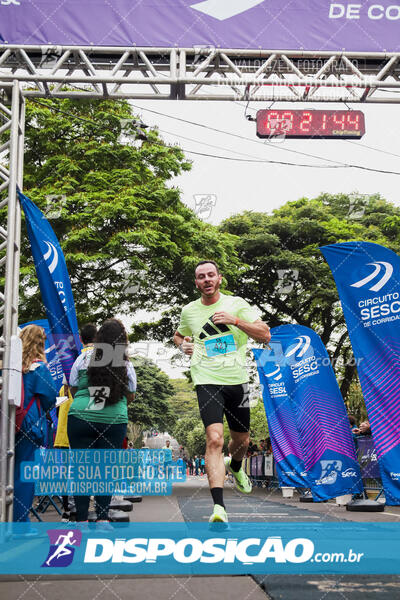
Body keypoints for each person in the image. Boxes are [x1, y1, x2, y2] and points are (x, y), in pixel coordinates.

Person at [173, 260, 270, 523]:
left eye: (210, 275)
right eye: (201, 276)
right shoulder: (189, 311)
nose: (206, 279)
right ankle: (219, 508)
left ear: (219, 279)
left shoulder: (237, 304)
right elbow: (178, 336)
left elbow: (265, 334)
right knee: (214, 439)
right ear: (196, 283)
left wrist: (236, 321)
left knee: (242, 442)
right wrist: (183, 346)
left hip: (237, 380)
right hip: (205, 378)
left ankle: (236, 466)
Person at [67, 318, 136, 523]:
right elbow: (131, 394)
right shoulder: (126, 363)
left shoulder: (83, 359)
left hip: (80, 418)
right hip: (113, 421)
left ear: (98, 338)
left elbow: (73, 387)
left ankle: (80, 521)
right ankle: (103, 519)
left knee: (81, 471)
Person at [14, 325, 58, 522]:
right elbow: (50, 397)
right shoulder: (38, 368)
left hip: (10, 423)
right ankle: (20, 522)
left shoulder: (11, 366)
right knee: (25, 474)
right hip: (29, 424)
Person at [54, 323, 97, 522]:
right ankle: (79, 511)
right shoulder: (100, 361)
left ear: (80, 339)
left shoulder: (74, 366)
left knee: (72, 472)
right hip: (86, 425)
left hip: (67, 431)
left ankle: (71, 512)